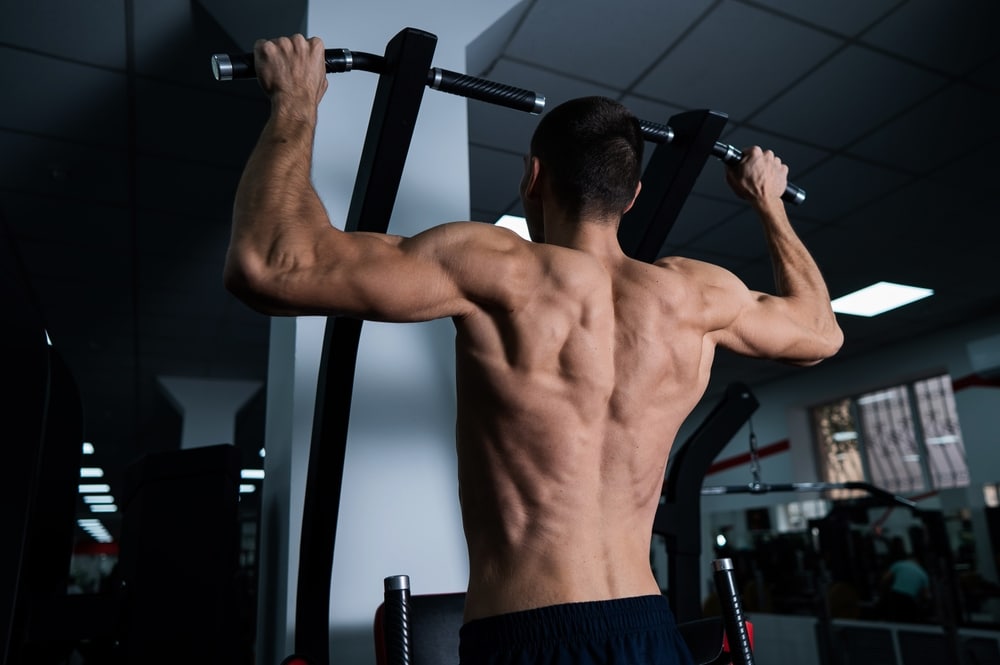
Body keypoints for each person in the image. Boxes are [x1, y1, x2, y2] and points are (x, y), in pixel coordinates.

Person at [224, 35, 844, 665]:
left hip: (525, 633)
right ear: (631, 198)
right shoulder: (697, 297)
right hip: (649, 630)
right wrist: (769, 205)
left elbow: (267, 266)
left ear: (533, 177)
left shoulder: (497, 267)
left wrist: (295, 104)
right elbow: (821, 333)